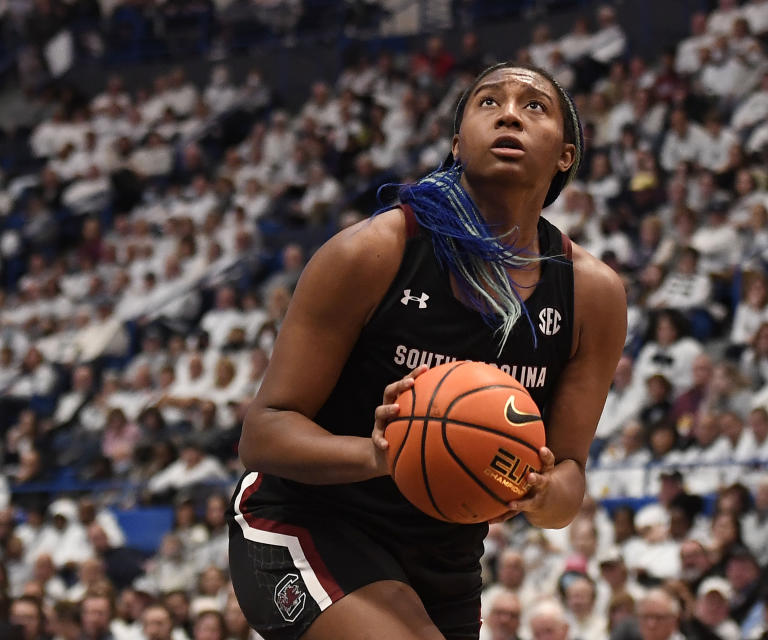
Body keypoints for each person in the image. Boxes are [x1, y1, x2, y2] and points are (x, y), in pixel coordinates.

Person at [229, 61, 627, 640]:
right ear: (456, 142)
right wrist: (379, 454)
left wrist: (539, 493)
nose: (510, 113)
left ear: (566, 154)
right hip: (306, 520)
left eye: (534, 106)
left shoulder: (592, 293)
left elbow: (568, 478)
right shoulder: (374, 251)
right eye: (488, 103)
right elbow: (262, 434)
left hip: (446, 556)